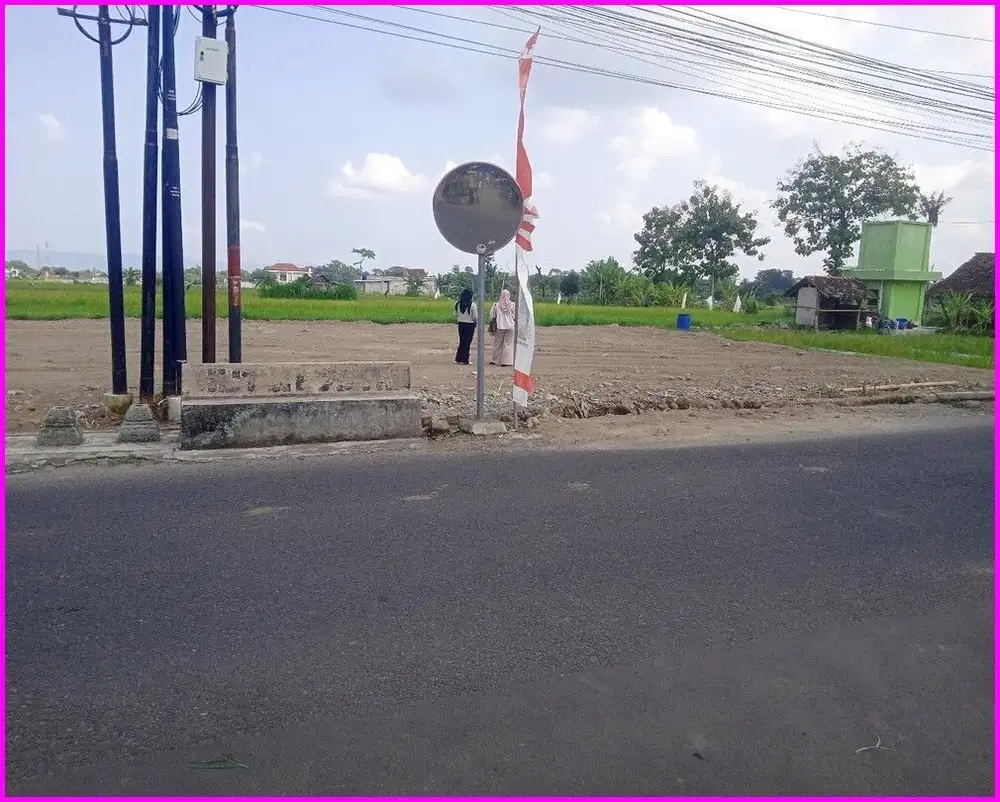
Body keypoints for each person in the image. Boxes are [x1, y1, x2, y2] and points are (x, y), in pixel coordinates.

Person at [489, 288, 516, 366]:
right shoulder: (513, 305)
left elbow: (492, 316)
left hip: (499, 327)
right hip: (510, 327)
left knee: (497, 344)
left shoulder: (496, 305)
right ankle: (506, 362)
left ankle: (495, 360)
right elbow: (515, 316)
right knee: (508, 344)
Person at [453, 288, 477, 365]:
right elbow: (475, 316)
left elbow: (456, 314)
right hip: (469, 324)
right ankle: (465, 360)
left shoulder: (458, 304)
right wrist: (475, 322)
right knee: (467, 343)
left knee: (462, 341)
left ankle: (458, 358)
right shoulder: (472, 304)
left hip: (461, 324)